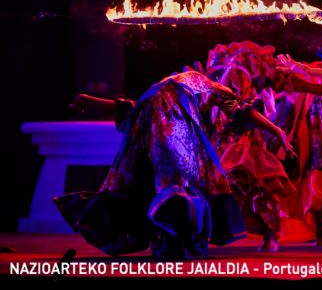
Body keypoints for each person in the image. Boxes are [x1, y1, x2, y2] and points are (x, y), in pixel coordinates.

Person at [57, 70, 294, 259]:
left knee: (150, 180)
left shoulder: (181, 82)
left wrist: (91, 100)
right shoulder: (213, 88)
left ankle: (167, 239)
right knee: (182, 179)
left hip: (149, 111)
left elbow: (132, 107)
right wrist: (276, 130)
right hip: (169, 114)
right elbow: (243, 112)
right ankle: (176, 241)